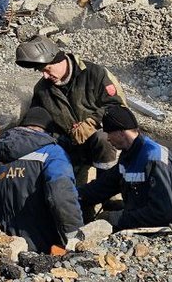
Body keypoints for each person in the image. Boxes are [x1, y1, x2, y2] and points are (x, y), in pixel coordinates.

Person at [14, 37, 126, 183]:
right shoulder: (41, 89)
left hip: (96, 141)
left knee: (102, 138)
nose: (45, 75)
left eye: (47, 69)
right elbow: (38, 122)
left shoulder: (94, 73)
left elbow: (116, 106)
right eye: (41, 71)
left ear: (59, 60)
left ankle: (108, 189)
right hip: (66, 146)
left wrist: (90, 124)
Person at [0, 106, 83, 253]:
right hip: (42, 246)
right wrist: (74, 235)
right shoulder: (53, 152)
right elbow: (61, 196)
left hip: (3, 245)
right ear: (47, 131)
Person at [79, 106, 172, 230]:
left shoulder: (154, 158)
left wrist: (117, 218)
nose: (108, 139)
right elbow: (105, 185)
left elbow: (160, 212)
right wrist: (74, 195)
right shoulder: (129, 155)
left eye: (109, 133)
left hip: (167, 228)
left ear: (121, 133)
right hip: (141, 217)